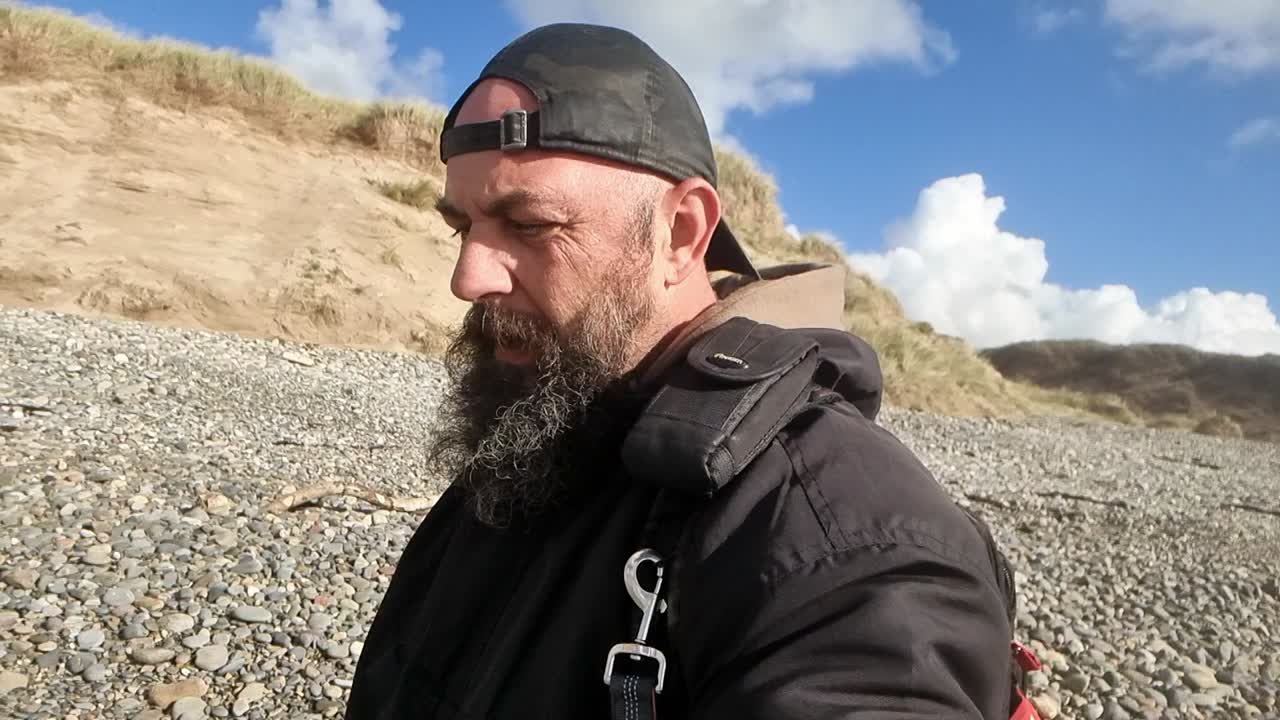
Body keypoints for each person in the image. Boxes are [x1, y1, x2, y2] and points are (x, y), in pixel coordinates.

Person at [345, 22, 1017, 720]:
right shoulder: (544, 417)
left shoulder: (837, 528)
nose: (467, 277)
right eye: (462, 228)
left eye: (532, 225)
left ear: (683, 233)